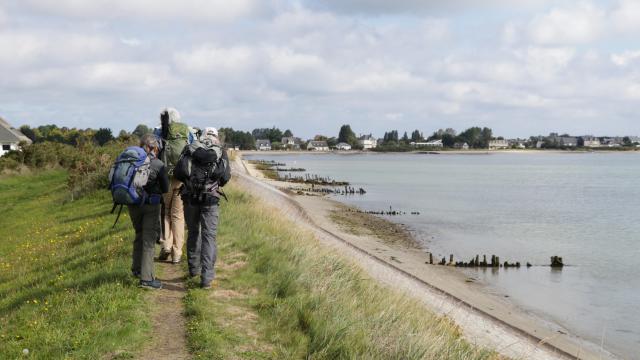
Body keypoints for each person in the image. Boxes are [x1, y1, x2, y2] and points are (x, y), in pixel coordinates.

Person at [182, 127, 231, 289]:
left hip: (190, 197)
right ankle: (206, 278)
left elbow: (180, 172)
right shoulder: (220, 151)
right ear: (216, 137)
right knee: (209, 237)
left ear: (202, 136)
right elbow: (224, 178)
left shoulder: (190, 147)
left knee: (193, 233)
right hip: (210, 198)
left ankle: (193, 269)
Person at [130, 134, 169, 289]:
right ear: (153, 148)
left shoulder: (132, 160)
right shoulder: (158, 164)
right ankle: (146, 279)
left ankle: (137, 270)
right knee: (148, 240)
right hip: (150, 206)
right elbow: (166, 188)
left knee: (139, 235)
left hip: (132, 204)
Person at [156, 108, 195, 264]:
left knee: (165, 211)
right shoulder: (188, 131)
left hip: (165, 177)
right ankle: (177, 253)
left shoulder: (159, 131)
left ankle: (166, 245)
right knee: (178, 215)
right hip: (181, 177)